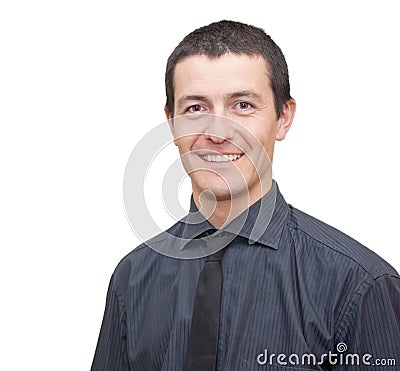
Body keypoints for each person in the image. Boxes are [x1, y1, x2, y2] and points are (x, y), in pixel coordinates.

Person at [91, 20, 400, 370]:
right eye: (196, 108)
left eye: (243, 106)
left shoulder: (358, 285)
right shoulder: (131, 280)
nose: (218, 132)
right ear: (172, 122)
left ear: (284, 117)